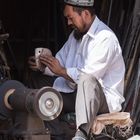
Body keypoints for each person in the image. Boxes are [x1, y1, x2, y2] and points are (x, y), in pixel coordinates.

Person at [28, 0, 125, 139]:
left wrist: (61, 71)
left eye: (70, 17)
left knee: (87, 80)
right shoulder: (75, 36)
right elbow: (59, 63)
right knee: (39, 83)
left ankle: (81, 134)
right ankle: (55, 134)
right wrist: (44, 65)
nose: (68, 23)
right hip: (75, 93)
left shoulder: (105, 38)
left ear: (85, 14)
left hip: (102, 99)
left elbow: (89, 76)